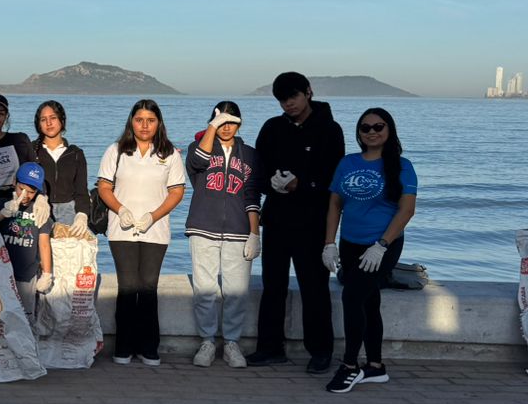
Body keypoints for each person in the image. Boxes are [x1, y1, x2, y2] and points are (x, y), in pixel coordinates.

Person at [250, 72, 345, 373]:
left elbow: (334, 180)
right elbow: (258, 170)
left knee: (314, 287)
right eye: (282, 99)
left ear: (308, 92)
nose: (288, 103)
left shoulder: (330, 130)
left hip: (313, 222)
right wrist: (272, 184)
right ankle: (269, 347)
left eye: (293, 96)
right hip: (277, 220)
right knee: (272, 285)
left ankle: (320, 351)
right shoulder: (272, 128)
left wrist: (301, 185)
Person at [322, 108, 418, 394]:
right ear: (359, 133)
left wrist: (382, 245)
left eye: (379, 126)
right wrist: (329, 243)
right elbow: (335, 205)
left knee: (352, 297)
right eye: (366, 128)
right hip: (350, 243)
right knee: (368, 301)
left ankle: (350, 366)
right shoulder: (348, 163)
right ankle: (375, 367)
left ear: (389, 130)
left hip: (382, 245)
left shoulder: (402, 166)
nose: (372, 131)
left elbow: (407, 210)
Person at [96, 99, 186, 366]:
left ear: (158, 123)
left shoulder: (170, 154)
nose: (144, 125)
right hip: (121, 230)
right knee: (127, 288)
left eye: (150, 120)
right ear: (131, 122)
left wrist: (153, 216)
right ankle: (123, 347)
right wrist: (121, 210)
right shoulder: (116, 150)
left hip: (155, 231)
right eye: (139, 120)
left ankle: (149, 347)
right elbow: (103, 187)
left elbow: (177, 191)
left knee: (148, 287)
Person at [184, 101, 262, 369]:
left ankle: (231, 343)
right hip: (202, 227)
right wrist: (212, 127)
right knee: (205, 289)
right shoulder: (199, 147)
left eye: (231, 121)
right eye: (221, 122)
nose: (226, 127)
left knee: (236, 291)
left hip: (240, 231)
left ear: (239, 123)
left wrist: (255, 233)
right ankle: (207, 341)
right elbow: (197, 162)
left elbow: (252, 194)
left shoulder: (250, 155)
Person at [0, 161, 55, 328]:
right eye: (22, 189)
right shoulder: (3, 203)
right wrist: (2, 213)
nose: (26, 195)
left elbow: (44, 244)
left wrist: (47, 273)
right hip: (2, 272)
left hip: (27, 275)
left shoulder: (40, 210)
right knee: (1, 317)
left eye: (31, 192)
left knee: (25, 319)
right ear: (14, 183)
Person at [33, 99, 92, 238]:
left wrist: (82, 214)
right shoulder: (31, 150)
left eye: (53, 118)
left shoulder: (75, 153)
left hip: (68, 211)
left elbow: (81, 190)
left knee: (69, 256)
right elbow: (23, 184)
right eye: (43, 119)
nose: (49, 123)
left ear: (62, 120)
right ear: (38, 125)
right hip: (39, 210)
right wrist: (39, 198)